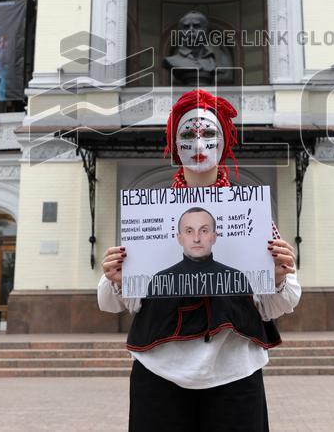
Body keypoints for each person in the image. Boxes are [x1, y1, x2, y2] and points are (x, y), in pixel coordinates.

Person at [98, 89, 299, 431]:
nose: (199, 142)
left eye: (209, 132)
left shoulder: (253, 215)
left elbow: (274, 306)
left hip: (235, 372)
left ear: (225, 141)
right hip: (159, 372)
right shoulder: (148, 215)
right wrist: (115, 278)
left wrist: (279, 277)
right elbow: (118, 303)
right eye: (188, 133)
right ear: (174, 143)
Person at [146, 207, 253, 298]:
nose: (196, 239)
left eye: (204, 231)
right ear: (179, 239)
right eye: (189, 231)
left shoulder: (236, 278)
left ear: (214, 237)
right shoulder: (160, 281)